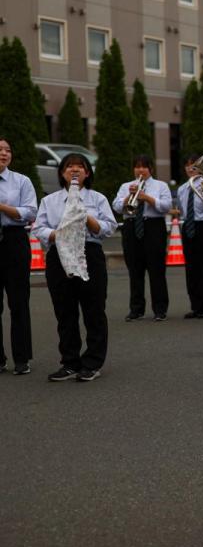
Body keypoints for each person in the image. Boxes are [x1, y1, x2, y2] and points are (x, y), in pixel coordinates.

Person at [33, 153, 117, 382]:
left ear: (87, 173)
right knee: (65, 311)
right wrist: (57, 234)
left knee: (94, 309)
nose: (75, 170)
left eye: (80, 167)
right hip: (59, 254)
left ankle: (92, 362)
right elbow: (38, 228)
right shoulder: (49, 201)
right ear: (62, 172)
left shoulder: (97, 198)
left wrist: (87, 217)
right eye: (69, 166)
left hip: (89, 252)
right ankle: (69, 362)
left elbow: (109, 228)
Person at [113, 155, 172, 322]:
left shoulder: (161, 186)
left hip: (153, 226)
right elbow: (117, 207)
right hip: (131, 227)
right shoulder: (126, 186)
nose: (141, 170)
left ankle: (160, 309)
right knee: (135, 270)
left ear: (150, 169)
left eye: (144, 167)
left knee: (157, 270)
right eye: (137, 167)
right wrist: (127, 198)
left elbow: (167, 206)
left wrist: (147, 198)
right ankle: (136, 309)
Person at [0, 137, 37, 375]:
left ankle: (22, 359)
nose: (4, 153)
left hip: (13, 240)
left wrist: (2, 207)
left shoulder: (21, 181)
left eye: (7, 150)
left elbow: (30, 212)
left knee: (19, 302)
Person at [178, 154, 203, 319]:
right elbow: (182, 210)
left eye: (193, 165)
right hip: (188, 227)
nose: (190, 168)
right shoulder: (182, 189)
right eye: (187, 165)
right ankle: (196, 306)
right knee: (191, 268)